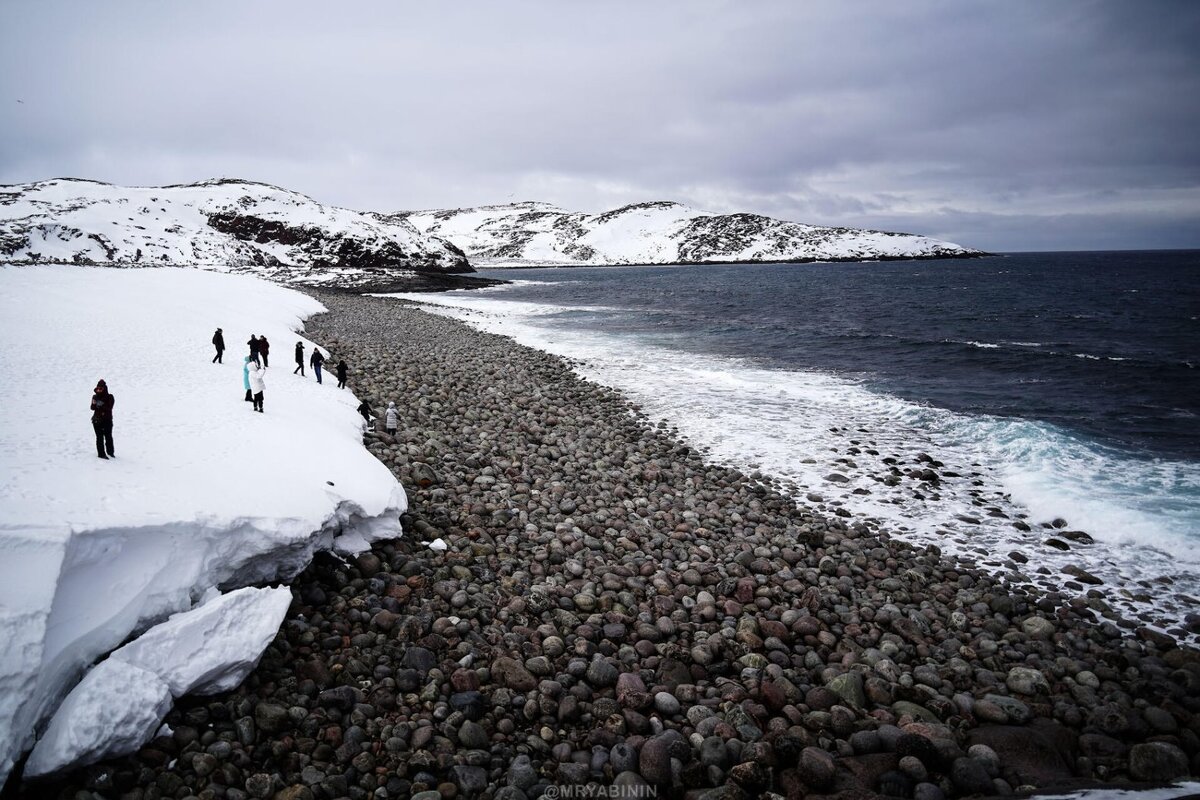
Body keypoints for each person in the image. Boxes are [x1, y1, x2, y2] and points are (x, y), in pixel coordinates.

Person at [90, 379, 115, 459]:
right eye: (97, 388)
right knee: (99, 437)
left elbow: (109, 407)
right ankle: (101, 454)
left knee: (108, 436)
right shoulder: (94, 396)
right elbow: (92, 408)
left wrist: (101, 404)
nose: (98, 390)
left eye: (100, 389)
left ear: (104, 389)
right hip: (97, 420)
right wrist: (94, 403)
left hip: (107, 420)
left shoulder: (110, 397)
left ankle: (110, 452)